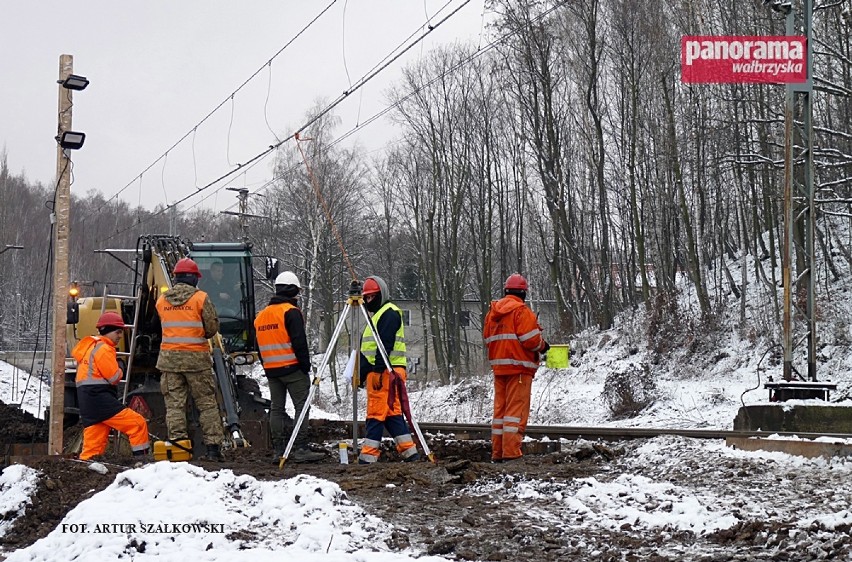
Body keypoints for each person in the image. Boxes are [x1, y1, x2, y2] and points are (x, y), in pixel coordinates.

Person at [155, 257, 225, 461]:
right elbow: (211, 328)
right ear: (194, 278)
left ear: (176, 278)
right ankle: (213, 450)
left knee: (175, 406)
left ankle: (178, 449)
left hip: (169, 362)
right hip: (196, 361)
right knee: (207, 404)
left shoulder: (162, 300)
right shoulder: (201, 298)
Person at [254, 271, 324, 464]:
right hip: (292, 368)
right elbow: (299, 342)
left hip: (272, 370)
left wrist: (267, 365)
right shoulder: (290, 312)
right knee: (301, 407)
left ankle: (278, 449)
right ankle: (300, 448)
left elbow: (258, 346)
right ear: (293, 290)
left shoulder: (261, 316)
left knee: (276, 409)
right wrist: (305, 366)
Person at [483, 273, 549, 463]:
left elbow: (488, 339)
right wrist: (544, 346)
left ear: (506, 291)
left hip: (499, 369)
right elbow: (531, 340)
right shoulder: (521, 312)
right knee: (515, 413)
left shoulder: (492, 314)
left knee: (500, 413)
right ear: (523, 292)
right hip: (519, 369)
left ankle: (498, 452)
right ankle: (511, 453)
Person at [357, 275, 419, 464]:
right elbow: (368, 349)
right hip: (387, 371)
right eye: (366, 298)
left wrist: (376, 370)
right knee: (392, 413)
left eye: (371, 297)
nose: (368, 301)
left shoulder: (388, 313)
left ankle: (368, 456)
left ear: (381, 294)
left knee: (375, 413)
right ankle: (410, 452)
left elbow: (384, 345)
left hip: (385, 372)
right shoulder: (378, 315)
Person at [73, 311, 150, 461]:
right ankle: (142, 463)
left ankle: (85, 471)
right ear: (107, 331)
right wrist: (121, 367)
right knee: (137, 424)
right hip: (99, 398)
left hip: (87, 401)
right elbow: (114, 377)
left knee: (94, 446)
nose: (120, 336)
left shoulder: (91, 348)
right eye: (118, 332)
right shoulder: (104, 349)